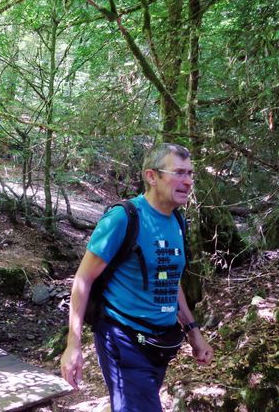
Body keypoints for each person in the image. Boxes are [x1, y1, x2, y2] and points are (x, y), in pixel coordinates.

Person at [60, 143, 213, 412]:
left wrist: (194, 333)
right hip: (123, 339)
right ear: (151, 176)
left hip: (160, 344)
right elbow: (83, 279)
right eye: (178, 172)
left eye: (190, 173)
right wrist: (73, 344)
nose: (188, 181)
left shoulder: (178, 221)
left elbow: (169, 280)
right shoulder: (123, 218)